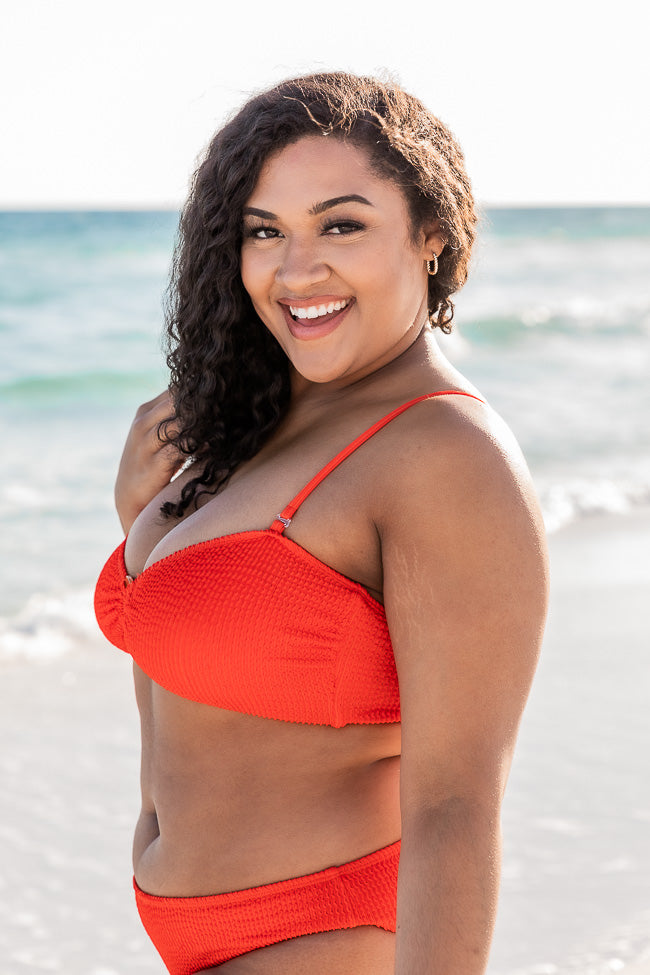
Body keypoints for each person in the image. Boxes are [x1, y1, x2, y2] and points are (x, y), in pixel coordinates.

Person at [94, 72, 548, 975]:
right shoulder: (254, 422)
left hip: (320, 934)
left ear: (430, 235)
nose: (297, 269)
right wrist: (136, 519)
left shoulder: (445, 454)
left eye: (341, 224)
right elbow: (188, 674)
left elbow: (456, 806)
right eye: (265, 231)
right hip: (192, 936)